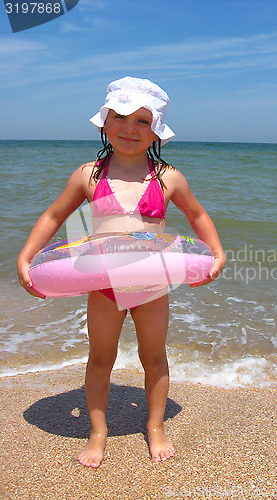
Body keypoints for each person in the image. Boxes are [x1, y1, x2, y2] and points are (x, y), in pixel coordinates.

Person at [17, 76, 226, 468]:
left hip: (151, 284)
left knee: (154, 358)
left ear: (156, 131)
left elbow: (197, 215)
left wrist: (216, 252)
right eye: (121, 117)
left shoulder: (168, 178)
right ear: (104, 122)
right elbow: (54, 215)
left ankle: (155, 426)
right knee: (100, 360)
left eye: (143, 121)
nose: (130, 128)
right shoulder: (88, 175)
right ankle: (98, 432)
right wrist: (27, 256)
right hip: (105, 286)